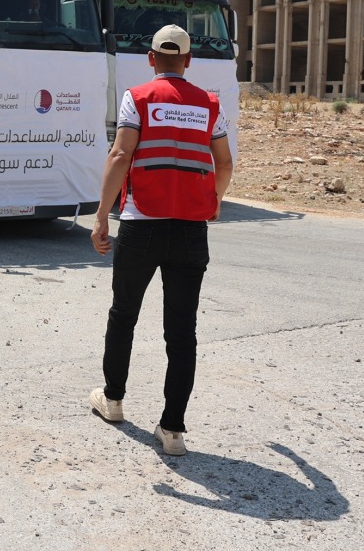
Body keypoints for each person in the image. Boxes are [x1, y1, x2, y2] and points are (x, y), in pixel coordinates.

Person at [87, 24, 233, 456]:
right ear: (188, 62)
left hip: (141, 223)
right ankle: (173, 431)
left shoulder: (139, 97)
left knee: (124, 314)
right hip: (190, 228)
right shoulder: (210, 104)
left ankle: (112, 401)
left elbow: (120, 155)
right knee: (181, 332)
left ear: (151, 59)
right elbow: (223, 163)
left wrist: (100, 217)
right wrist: (215, 200)